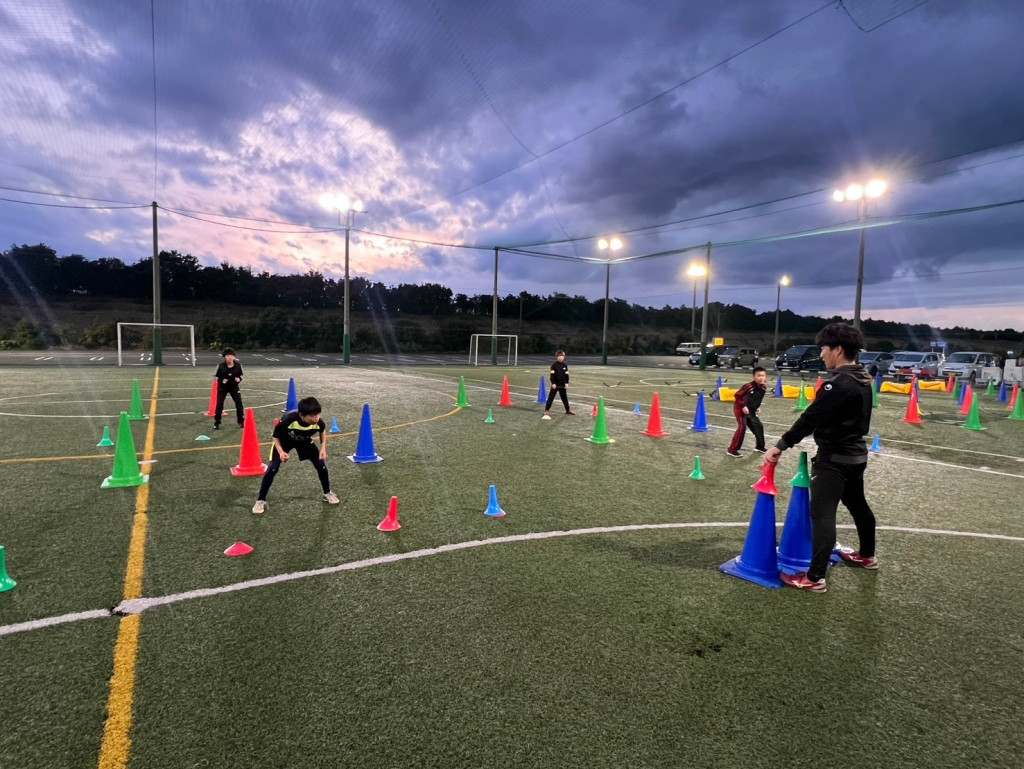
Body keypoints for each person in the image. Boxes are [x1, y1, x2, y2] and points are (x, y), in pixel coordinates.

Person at [763, 323, 878, 593]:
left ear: (838, 350)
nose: (822, 354)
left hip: (834, 460)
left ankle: (815, 578)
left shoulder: (836, 384)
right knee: (858, 505)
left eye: (824, 348)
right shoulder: (863, 378)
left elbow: (810, 419)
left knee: (822, 515)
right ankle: (867, 556)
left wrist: (781, 445)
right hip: (856, 457)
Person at [252, 396, 340, 514]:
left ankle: (327, 493)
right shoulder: (288, 420)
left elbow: (322, 431)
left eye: (317, 414)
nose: (316, 418)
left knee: (320, 465)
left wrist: (323, 448)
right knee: (273, 468)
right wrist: (281, 452)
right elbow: (275, 436)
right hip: (284, 441)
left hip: (304, 441)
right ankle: (261, 500)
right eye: (312, 416)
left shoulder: (319, 422)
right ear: (302, 415)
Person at [726, 366, 768, 456]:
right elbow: (737, 396)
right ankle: (732, 450)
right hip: (740, 409)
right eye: (758, 376)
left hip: (751, 411)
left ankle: (760, 447)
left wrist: (757, 407)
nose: (761, 378)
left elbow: (757, 399)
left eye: (763, 376)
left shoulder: (764, 387)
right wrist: (743, 406)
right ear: (754, 376)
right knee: (742, 427)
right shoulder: (748, 386)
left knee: (759, 426)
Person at [213, 347, 244, 429]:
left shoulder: (238, 366)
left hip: (234, 387)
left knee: (239, 404)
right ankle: (217, 423)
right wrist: (221, 380)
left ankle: (241, 421)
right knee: (219, 404)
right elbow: (215, 376)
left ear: (234, 356)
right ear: (224, 357)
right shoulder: (220, 366)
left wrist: (239, 379)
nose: (229, 357)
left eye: (231, 355)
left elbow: (241, 375)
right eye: (227, 356)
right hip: (223, 387)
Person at [542, 350, 575, 419]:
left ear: (564, 357)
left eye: (562, 356)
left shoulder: (565, 365)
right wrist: (553, 383)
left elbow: (566, 375)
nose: (561, 357)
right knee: (551, 398)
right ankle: (547, 410)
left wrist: (566, 383)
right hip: (555, 385)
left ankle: (567, 410)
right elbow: (552, 376)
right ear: (557, 357)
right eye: (559, 356)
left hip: (562, 385)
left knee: (564, 398)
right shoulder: (554, 365)